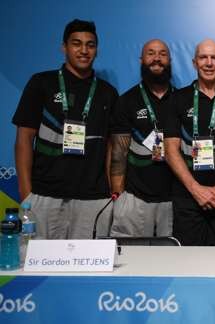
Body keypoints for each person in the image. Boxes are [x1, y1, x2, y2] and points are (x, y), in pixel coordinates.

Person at [12, 19, 118, 239]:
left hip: (93, 198)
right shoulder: (42, 83)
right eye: (76, 43)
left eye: (90, 45)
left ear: (96, 50)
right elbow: (24, 139)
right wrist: (25, 193)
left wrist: (110, 190)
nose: (84, 50)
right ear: (64, 47)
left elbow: (111, 146)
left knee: (89, 269)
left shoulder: (108, 92)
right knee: (40, 267)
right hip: (45, 195)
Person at [164, 39, 215, 245]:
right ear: (194, 63)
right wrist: (195, 189)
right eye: (203, 57)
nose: (209, 63)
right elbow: (171, 150)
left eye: (214, 58)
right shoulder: (177, 100)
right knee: (188, 265)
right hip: (188, 198)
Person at [109, 39, 175, 237]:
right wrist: (119, 197)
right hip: (136, 199)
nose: (157, 59)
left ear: (170, 61)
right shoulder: (126, 101)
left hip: (174, 200)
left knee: (173, 262)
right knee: (132, 262)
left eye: (162, 54)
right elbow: (118, 153)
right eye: (151, 53)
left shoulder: (183, 100)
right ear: (141, 60)